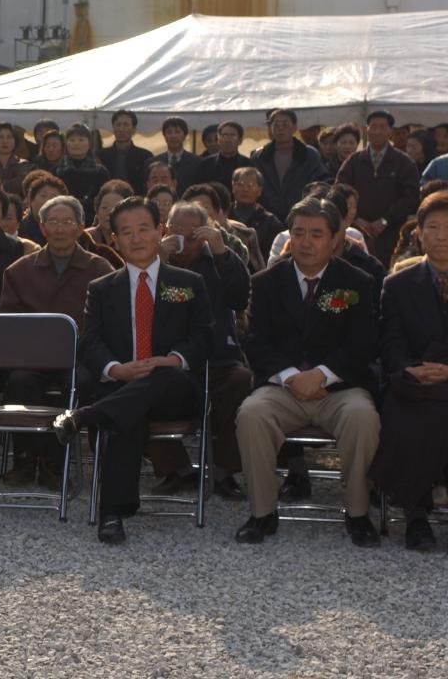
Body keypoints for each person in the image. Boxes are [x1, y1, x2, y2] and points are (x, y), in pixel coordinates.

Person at [52, 196, 214, 544]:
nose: (136, 238)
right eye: (126, 232)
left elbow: (203, 338)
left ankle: (85, 416)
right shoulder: (102, 288)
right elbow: (90, 343)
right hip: (123, 385)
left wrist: (173, 359)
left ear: (161, 231)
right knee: (124, 414)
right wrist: (116, 369)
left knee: (164, 378)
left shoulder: (188, 282)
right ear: (114, 240)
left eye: (144, 229)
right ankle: (113, 515)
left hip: (175, 387)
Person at [234, 197, 381, 547]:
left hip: (339, 388)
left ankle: (358, 514)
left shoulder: (356, 281)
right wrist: (289, 377)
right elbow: (255, 342)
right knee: (251, 413)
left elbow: (363, 344)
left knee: (363, 416)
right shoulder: (267, 281)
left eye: (316, 234)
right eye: (298, 232)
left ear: (335, 240)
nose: (306, 241)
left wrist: (322, 375)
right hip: (282, 387)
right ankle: (262, 513)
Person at [0, 195, 114, 488]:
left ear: (80, 227)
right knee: (19, 382)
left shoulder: (100, 269)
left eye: (67, 222)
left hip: (80, 357)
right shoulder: (19, 270)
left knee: (80, 383)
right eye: (53, 222)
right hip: (34, 356)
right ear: (41, 226)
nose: (60, 229)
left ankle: (54, 461)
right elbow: (9, 324)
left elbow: (111, 323)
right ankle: (24, 459)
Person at [151, 202, 253, 500]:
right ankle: (176, 469)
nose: (183, 239)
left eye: (191, 233)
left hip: (216, 356)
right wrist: (159, 261)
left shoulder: (219, 259)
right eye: (176, 231)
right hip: (167, 357)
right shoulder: (156, 258)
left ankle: (224, 471)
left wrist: (221, 251)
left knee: (239, 380)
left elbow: (238, 297)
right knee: (140, 382)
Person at [370, 190, 448, 550]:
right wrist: (410, 369)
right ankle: (416, 516)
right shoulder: (398, 284)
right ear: (418, 233)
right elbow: (389, 344)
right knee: (412, 412)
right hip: (414, 382)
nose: (442, 235)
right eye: (433, 227)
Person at [336, 110, 421, 266]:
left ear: (390, 131)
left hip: (393, 234)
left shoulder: (404, 162)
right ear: (366, 130)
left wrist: (385, 219)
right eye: (373, 126)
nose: (376, 131)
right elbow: (339, 191)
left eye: (382, 127)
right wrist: (355, 218)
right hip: (357, 232)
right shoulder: (354, 161)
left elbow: (411, 197)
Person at [252, 108, 329, 223]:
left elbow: (321, 184)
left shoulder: (308, 154)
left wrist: (306, 203)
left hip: (302, 215)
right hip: (266, 219)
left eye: (285, 125)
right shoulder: (260, 156)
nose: (280, 129)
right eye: (276, 125)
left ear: (294, 128)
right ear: (271, 128)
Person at [230, 167, 283, 264]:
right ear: (233, 187)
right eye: (240, 184)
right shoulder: (223, 215)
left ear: (259, 190)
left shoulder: (270, 221)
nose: (245, 189)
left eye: (250, 185)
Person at [56, 123, 109, 218]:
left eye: (81, 140)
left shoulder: (100, 171)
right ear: (66, 144)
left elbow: (105, 198)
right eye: (72, 140)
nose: (76, 143)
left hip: (92, 218)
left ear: (89, 144)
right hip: (62, 217)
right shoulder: (57, 170)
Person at [103, 110, 154, 194]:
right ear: (113, 128)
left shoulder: (145, 156)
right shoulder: (102, 155)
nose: (121, 129)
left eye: (126, 125)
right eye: (118, 125)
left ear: (134, 129)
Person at [148, 116, 202, 193]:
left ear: (185, 136)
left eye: (177, 132)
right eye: (169, 132)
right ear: (164, 136)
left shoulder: (198, 162)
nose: (173, 136)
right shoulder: (152, 162)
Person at [196, 121, 254, 190]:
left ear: (240, 140)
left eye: (232, 135)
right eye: (224, 135)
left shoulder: (249, 165)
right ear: (219, 140)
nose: (228, 140)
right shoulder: (205, 165)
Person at [0, 122, 34, 194]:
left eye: (9, 137)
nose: (5, 141)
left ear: (15, 142)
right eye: (0, 137)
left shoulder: (24, 165)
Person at [18, 171, 67, 245]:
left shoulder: (69, 230)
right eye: (43, 196)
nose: (47, 200)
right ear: (31, 200)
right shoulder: (18, 228)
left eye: (53, 196)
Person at [85, 179, 134, 251]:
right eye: (104, 207)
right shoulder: (85, 238)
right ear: (97, 211)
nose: (109, 213)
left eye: (116, 207)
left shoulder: (136, 239)